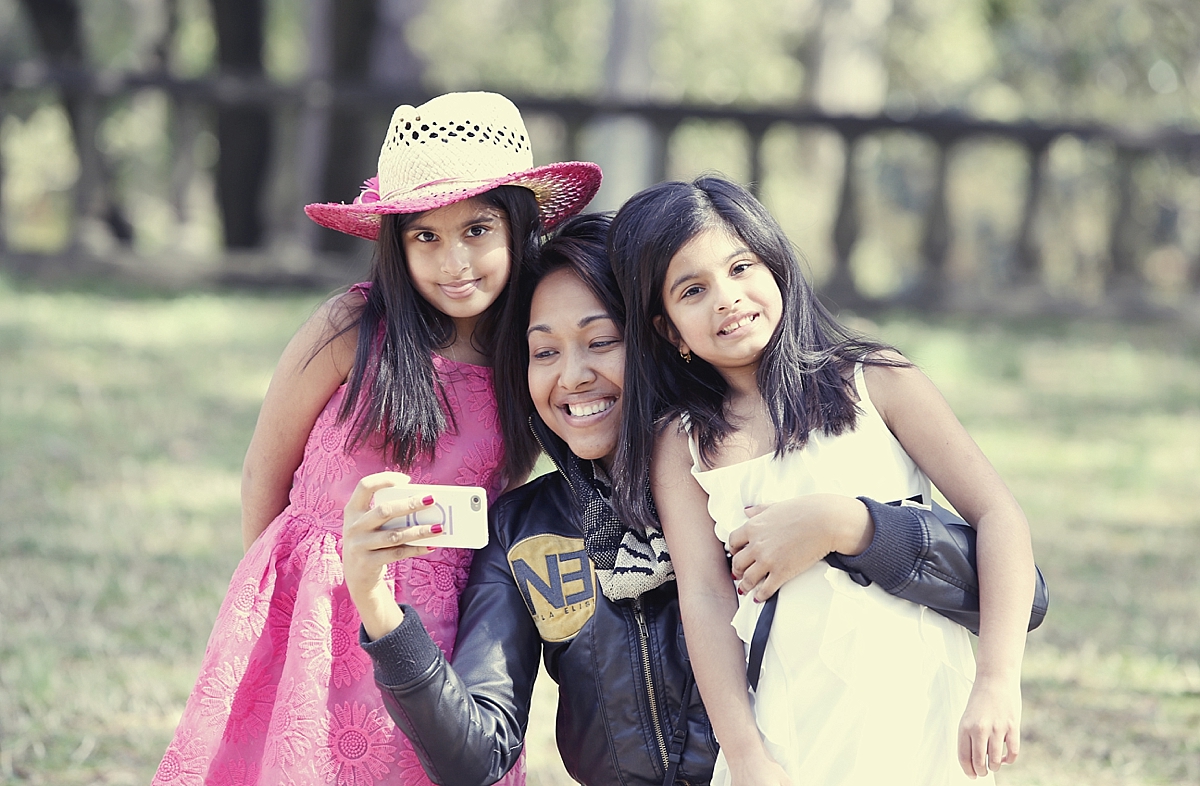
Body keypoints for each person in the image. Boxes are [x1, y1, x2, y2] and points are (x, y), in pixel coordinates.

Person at [339, 213, 1025, 786]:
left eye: (602, 341)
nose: (573, 377)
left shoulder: (746, 468)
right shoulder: (527, 532)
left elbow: (1022, 592)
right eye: (543, 353)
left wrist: (856, 527)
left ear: (663, 340)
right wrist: (380, 612)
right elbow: (476, 759)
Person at [152, 92, 601, 786]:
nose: (454, 261)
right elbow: (262, 476)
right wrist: (273, 616)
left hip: (439, 620)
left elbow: (506, 497)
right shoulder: (351, 328)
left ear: (519, 226)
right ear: (397, 242)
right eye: (426, 236)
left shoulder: (527, 359)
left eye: (477, 230)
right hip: (313, 607)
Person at [607, 176, 1038, 785]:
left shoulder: (877, 380)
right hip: (792, 721)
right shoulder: (683, 445)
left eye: (740, 267)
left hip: (921, 703)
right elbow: (704, 599)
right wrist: (749, 753)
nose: (727, 298)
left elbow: (999, 516)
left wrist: (997, 681)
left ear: (777, 266)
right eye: (693, 290)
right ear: (669, 330)